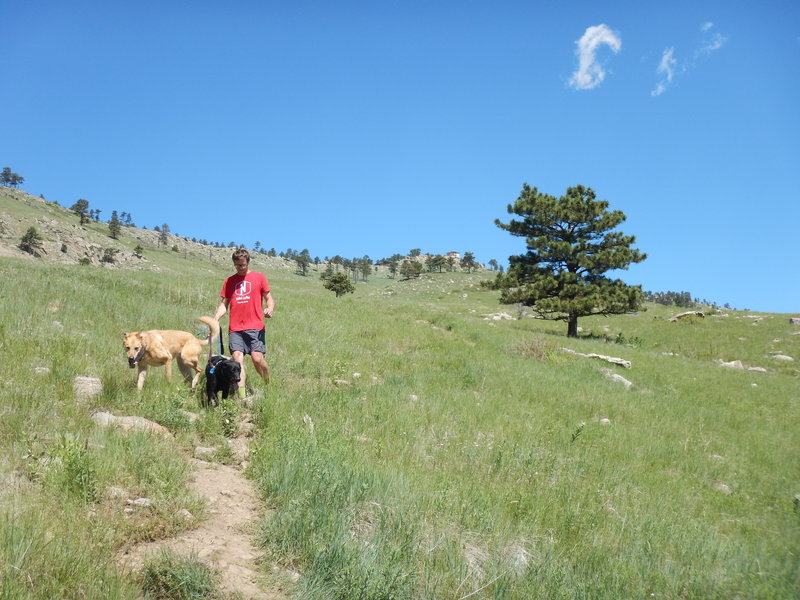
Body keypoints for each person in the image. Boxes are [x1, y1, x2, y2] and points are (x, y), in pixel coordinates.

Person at [214, 248, 275, 398]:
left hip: (255, 326)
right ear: (234, 264)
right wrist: (215, 319)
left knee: (257, 359)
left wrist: (270, 308)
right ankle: (242, 397)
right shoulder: (229, 281)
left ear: (248, 262)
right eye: (237, 265)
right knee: (237, 359)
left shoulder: (259, 277)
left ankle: (268, 382)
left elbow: (269, 298)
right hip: (235, 328)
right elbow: (224, 304)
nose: (241, 268)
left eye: (243, 265)